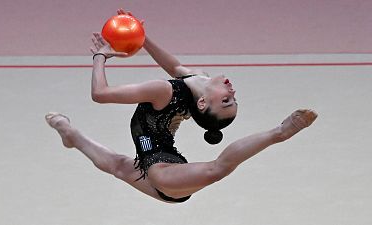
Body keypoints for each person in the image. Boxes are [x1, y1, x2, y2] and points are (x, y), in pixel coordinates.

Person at [45, 9, 318, 203]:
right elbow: (175, 66)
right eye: (233, 98)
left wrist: (100, 57)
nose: (232, 91)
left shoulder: (163, 91)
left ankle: (279, 133)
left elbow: (100, 94)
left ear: (202, 103)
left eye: (226, 100)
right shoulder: (192, 80)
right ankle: (71, 136)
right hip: (155, 160)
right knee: (117, 165)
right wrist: (141, 38)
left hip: (164, 173)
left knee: (216, 169)